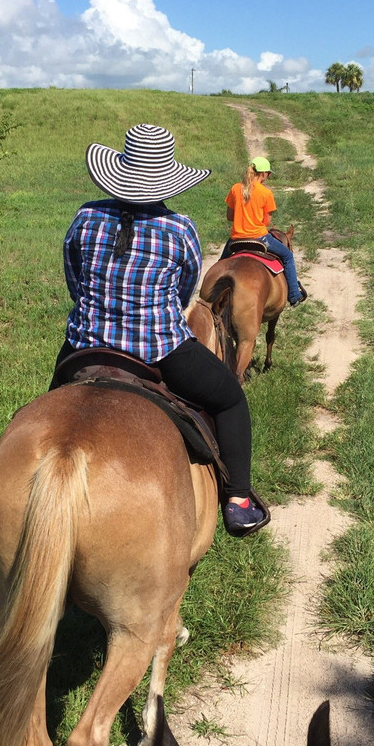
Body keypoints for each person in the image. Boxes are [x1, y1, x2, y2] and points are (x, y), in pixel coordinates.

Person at [55, 123, 269, 536]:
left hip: (85, 346)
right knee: (230, 398)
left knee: (49, 407)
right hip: (158, 349)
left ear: (119, 171)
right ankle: (238, 501)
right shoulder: (179, 229)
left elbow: (74, 280)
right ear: (167, 180)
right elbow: (184, 294)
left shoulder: (85, 216)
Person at [223, 156, 306, 305]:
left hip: (235, 239)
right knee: (287, 256)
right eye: (269, 173)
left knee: (221, 264)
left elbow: (229, 216)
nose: (269, 176)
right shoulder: (266, 193)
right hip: (260, 238)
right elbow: (266, 222)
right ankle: (294, 295)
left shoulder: (235, 188)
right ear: (263, 173)